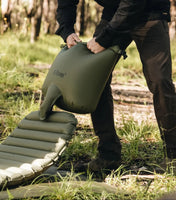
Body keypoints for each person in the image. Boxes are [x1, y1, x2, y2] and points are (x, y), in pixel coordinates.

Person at [55, 0, 176, 172]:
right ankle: (108, 155)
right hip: (114, 13)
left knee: (159, 80)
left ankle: (173, 157)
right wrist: (67, 32)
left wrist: (104, 39)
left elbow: (133, 3)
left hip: (150, 11)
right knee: (95, 77)